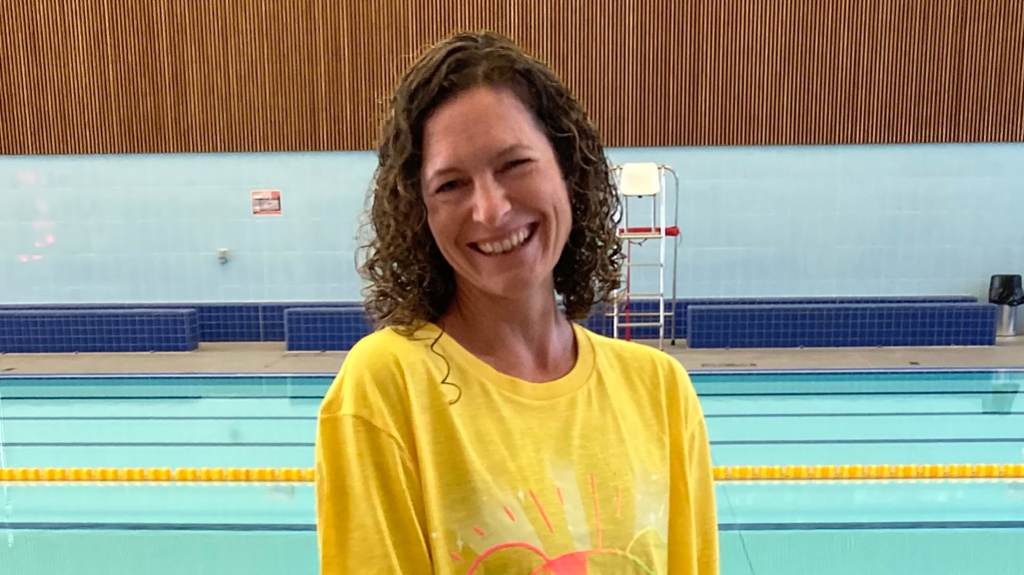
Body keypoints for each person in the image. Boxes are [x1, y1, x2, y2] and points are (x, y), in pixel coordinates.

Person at [315, 31, 719, 575]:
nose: (491, 209)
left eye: (514, 165)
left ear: (569, 172)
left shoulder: (659, 390)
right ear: (421, 214)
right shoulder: (386, 387)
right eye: (452, 184)